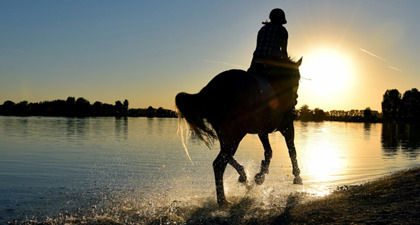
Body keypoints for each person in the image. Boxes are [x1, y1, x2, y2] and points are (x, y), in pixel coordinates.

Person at [248, 8, 290, 76]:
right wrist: (288, 65)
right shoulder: (282, 30)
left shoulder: (262, 29)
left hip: (256, 60)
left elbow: (257, 47)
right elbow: (283, 52)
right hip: (272, 61)